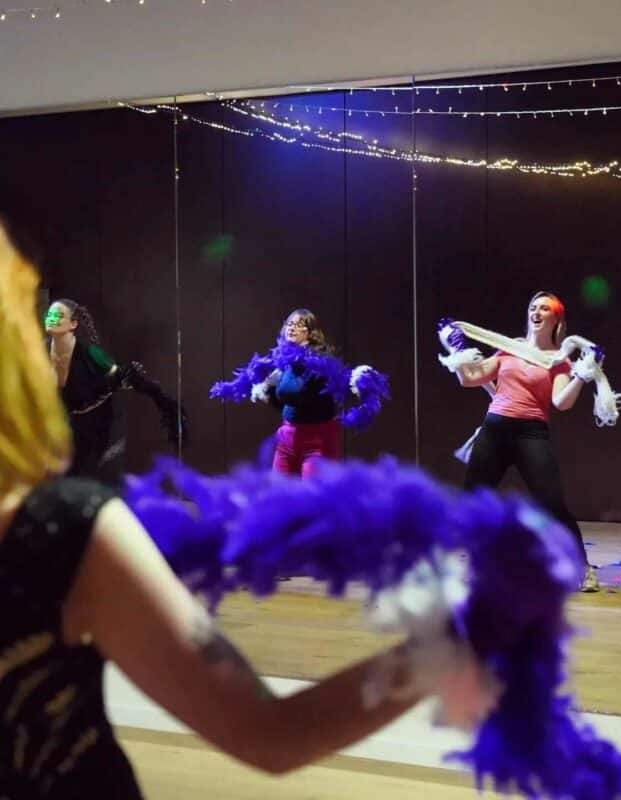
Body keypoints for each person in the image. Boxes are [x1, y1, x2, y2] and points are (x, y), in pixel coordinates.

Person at [0, 224, 426, 798]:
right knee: (281, 502)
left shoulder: (63, 523)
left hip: (317, 437)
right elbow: (269, 733)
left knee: (311, 503)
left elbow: (332, 388)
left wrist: (353, 384)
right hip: (288, 439)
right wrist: (450, 647)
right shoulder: (62, 525)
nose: (292, 332)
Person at [450, 291, 599, 593]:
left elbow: (561, 402)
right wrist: (457, 351)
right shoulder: (509, 348)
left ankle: (583, 568)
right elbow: (470, 379)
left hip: (531, 433)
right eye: (533, 307)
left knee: (552, 503)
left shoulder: (558, 360)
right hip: (494, 430)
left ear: (556, 319)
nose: (537, 312)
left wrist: (582, 376)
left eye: (544, 308)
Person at [45, 298, 185, 484]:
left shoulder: (91, 353)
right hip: (66, 424)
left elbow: (122, 377)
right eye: (49, 315)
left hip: (102, 423)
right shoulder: (39, 351)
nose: (51, 319)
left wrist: (162, 401)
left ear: (73, 324)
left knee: (93, 476)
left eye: (58, 315)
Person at [261, 309, 341, 478]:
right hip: (288, 435)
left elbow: (294, 394)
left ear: (310, 332)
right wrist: (268, 391)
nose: (291, 328)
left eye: (298, 325)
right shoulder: (285, 359)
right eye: (289, 324)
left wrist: (272, 384)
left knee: (312, 493)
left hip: (316, 439)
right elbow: (285, 403)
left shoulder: (319, 360)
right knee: (279, 490)